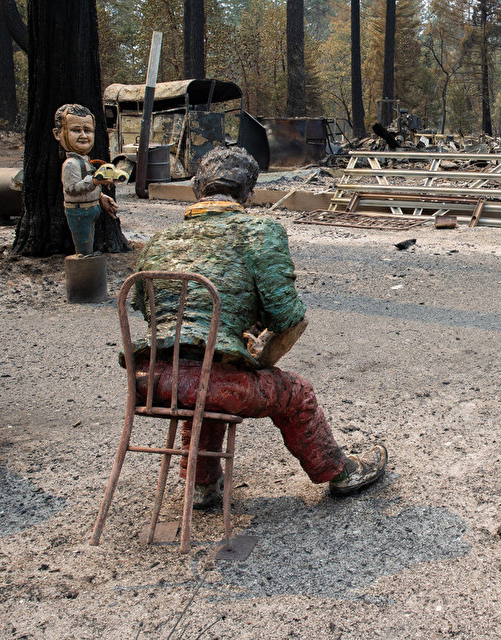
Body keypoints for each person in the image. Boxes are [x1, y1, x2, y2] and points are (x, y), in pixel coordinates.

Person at [131, 145, 386, 506]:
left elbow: (143, 304)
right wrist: (251, 324)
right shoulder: (260, 230)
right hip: (215, 387)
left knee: (210, 371)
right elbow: (286, 314)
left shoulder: (160, 240)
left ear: (195, 187)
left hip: (150, 380)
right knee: (295, 392)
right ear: (249, 193)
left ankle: (200, 482)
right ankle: (339, 472)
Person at [53, 104, 118, 256]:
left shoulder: (85, 161)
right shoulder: (70, 164)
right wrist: (95, 181)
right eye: (76, 130)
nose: (83, 135)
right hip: (79, 210)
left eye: (87, 130)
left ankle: (88, 264)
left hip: (90, 208)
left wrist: (100, 196)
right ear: (58, 134)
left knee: (89, 241)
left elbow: (85, 183)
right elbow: (72, 189)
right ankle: (84, 271)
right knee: (83, 247)